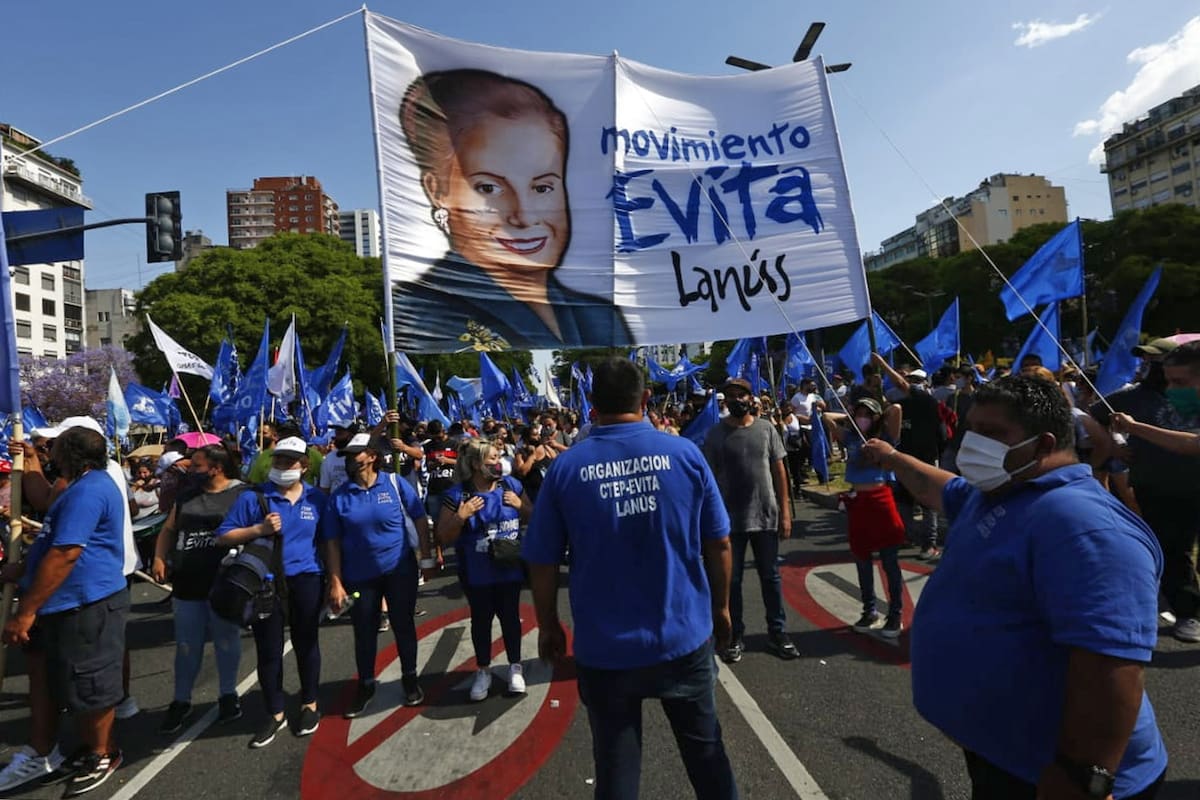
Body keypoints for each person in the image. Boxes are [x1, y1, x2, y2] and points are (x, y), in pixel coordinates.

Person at [863, 375, 1167, 800]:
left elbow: (1111, 668)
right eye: (972, 429)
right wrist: (893, 458)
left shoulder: (1087, 527)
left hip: (1052, 776)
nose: (973, 444)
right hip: (1004, 758)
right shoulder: (1001, 490)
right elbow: (939, 487)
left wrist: (1081, 777)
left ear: (1043, 444)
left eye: (991, 433)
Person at [523, 358, 737, 800]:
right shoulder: (684, 455)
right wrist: (721, 608)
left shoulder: (566, 469)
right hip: (683, 637)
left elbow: (542, 560)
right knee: (708, 759)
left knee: (616, 771)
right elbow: (719, 542)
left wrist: (548, 624)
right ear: (646, 399)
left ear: (591, 403)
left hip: (606, 649)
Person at [393, 68, 632, 350]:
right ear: (437, 191)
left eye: (542, 188)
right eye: (489, 188)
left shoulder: (601, 317)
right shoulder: (420, 315)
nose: (524, 216)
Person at [1, 427, 128, 796]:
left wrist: (25, 613)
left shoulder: (89, 491)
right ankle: (46, 750)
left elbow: (65, 553)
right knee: (50, 680)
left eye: (52, 448)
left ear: (69, 454)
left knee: (89, 683)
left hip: (84, 603)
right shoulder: (75, 486)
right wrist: (24, 568)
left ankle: (103, 753)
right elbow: (50, 535)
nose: (49, 452)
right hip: (58, 603)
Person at [215, 436, 327, 749]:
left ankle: (310, 704)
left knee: (307, 643)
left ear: (304, 466)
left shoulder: (317, 499)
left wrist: (336, 581)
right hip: (265, 583)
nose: (281, 466)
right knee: (268, 650)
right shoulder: (254, 497)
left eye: (289, 461)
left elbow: (327, 542)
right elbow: (223, 536)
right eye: (278, 460)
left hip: (307, 579)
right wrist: (258, 530)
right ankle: (275, 712)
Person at [1089, 338, 1200, 643]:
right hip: (1158, 488)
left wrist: (1134, 427)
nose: (1172, 388)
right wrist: (1111, 446)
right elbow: (1090, 417)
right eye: (1168, 379)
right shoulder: (1131, 397)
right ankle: (1186, 610)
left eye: (1180, 381)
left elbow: (1191, 444)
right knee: (1173, 551)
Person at [323, 434, 431, 716]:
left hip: (399, 570)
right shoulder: (339, 497)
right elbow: (331, 542)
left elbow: (419, 517)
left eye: (356, 454)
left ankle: (410, 678)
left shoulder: (394, 483)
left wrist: (426, 555)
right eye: (347, 455)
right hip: (359, 577)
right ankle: (366, 684)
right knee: (364, 631)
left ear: (372, 456)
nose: (350, 459)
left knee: (403, 624)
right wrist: (335, 581)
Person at [151, 444, 248, 734]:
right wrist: (159, 557)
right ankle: (181, 700)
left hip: (224, 583)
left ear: (216, 468)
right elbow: (169, 530)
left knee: (226, 640)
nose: (190, 470)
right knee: (186, 645)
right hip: (187, 582)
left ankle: (228, 694)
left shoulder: (242, 494)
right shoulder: (186, 496)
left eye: (196, 465)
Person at [702, 377, 799, 662]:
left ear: (750, 398)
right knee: (731, 582)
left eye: (741, 395)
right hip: (728, 521)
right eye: (731, 396)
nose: (736, 400)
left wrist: (785, 512)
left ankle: (778, 633)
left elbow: (779, 471)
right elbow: (708, 479)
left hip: (765, 517)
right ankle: (734, 636)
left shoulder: (766, 429)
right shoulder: (715, 434)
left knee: (771, 578)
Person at [436, 438, 532, 700]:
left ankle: (515, 667)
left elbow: (534, 516)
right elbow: (442, 536)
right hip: (476, 572)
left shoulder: (511, 485)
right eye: (492, 458)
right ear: (477, 464)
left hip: (509, 568)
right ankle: (483, 670)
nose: (498, 462)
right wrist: (461, 516)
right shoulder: (458, 495)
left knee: (510, 618)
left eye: (499, 457)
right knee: (481, 620)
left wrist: (520, 506)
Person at [838, 396, 906, 638]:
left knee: (889, 561)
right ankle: (870, 611)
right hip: (857, 501)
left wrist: (879, 418)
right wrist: (848, 416)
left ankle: (895, 614)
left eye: (868, 414)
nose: (862, 418)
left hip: (881, 500)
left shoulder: (885, 438)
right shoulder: (851, 437)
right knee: (862, 560)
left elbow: (896, 408)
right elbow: (826, 417)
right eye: (859, 413)